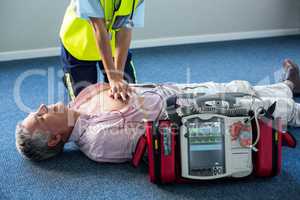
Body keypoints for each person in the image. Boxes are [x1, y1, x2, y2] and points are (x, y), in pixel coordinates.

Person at [16, 59, 300, 162]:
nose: (42, 107)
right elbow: (162, 137)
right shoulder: (97, 140)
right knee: (255, 107)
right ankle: (293, 108)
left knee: (237, 85)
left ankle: (288, 84)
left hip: (173, 89)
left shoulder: (78, 102)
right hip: (190, 110)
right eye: (41, 116)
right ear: (54, 139)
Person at [60, 0, 145, 101]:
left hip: (113, 48)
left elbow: (126, 28)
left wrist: (119, 76)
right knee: (84, 105)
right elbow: (98, 27)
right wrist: (114, 78)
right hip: (80, 45)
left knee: (128, 97)